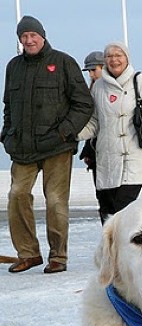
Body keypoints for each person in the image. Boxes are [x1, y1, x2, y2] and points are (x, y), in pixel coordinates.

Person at [2, 16, 93, 274]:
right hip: (22, 148)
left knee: (55, 201)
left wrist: (64, 132)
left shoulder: (63, 62)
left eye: (33, 35)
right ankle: (28, 253)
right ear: (19, 39)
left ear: (43, 35)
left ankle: (58, 256)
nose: (29, 40)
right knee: (17, 195)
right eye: (23, 36)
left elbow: (84, 104)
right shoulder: (13, 66)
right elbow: (8, 105)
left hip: (56, 147)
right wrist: (7, 134)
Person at [78, 42, 142, 224]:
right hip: (107, 157)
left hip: (135, 156)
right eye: (109, 56)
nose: (114, 60)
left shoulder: (139, 80)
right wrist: (72, 136)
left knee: (123, 207)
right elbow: (94, 122)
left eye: (119, 55)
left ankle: (125, 248)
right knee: (107, 208)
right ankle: (111, 250)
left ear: (127, 58)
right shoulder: (98, 87)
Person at [79, 50, 104, 194]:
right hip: (95, 148)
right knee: (101, 194)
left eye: (94, 70)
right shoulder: (91, 91)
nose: (91, 75)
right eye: (89, 71)